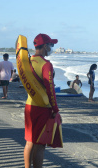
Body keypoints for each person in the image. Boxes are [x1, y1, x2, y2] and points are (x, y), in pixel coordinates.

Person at [24, 33, 62, 168]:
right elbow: (50, 89)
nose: (51, 48)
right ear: (45, 46)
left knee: (29, 142)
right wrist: (56, 110)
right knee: (40, 145)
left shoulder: (27, 61)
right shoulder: (46, 64)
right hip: (42, 107)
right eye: (51, 45)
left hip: (29, 105)